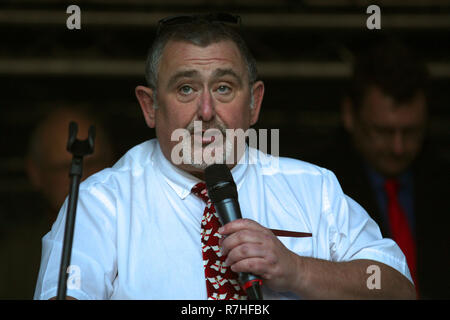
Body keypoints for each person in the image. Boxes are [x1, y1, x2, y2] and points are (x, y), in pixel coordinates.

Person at [34, 14, 415, 300]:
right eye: (185, 88)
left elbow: (397, 287)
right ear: (149, 107)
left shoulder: (314, 189)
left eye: (223, 87)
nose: (205, 110)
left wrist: (297, 270)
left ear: (254, 103)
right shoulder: (100, 203)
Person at [312, 38, 450, 298]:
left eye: (411, 131)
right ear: (349, 115)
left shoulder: (443, 184)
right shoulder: (317, 185)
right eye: (383, 131)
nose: (398, 147)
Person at [0, 106, 115, 299]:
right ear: (36, 173)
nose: (83, 177)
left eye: (93, 163)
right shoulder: (14, 258)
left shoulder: (137, 239)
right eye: (64, 167)